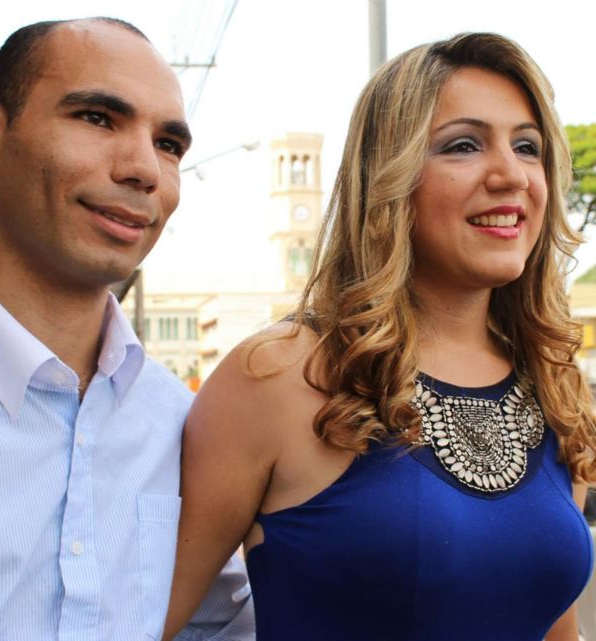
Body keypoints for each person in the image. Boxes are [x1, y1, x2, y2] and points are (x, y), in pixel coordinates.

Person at [164, 32, 596, 641]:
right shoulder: (277, 375)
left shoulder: (555, 385)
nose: (511, 175)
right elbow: (144, 621)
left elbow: (555, 627)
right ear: (387, 178)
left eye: (528, 147)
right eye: (464, 145)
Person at [0, 17, 253, 641]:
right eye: (96, 117)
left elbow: (226, 625)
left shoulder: (183, 426)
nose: (145, 168)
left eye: (168, 144)